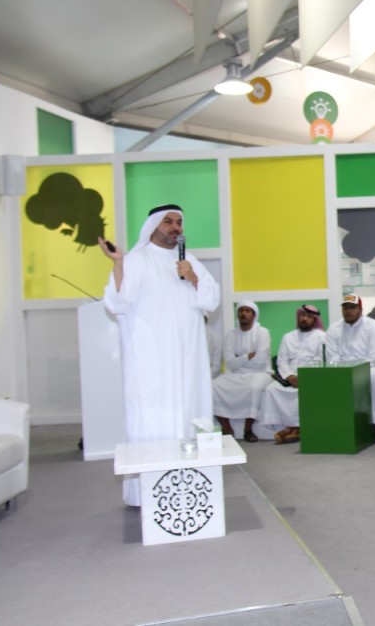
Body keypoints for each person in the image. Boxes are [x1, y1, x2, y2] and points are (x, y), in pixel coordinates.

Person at [99, 204, 220, 507]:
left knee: (190, 413)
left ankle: (190, 487)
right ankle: (150, 495)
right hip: (153, 360)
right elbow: (118, 301)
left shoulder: (189, 260)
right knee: (154, 418)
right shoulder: (137, 260)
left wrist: (193, 277)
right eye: (168, 222)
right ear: (153, 226)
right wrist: (118, 263)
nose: (175, 227)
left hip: (188, 359)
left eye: (179, 222)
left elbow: (212, 299)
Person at [258, 304, 326, 445]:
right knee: (272, 389)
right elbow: (282, 361)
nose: (304, 319)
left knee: (307, 391)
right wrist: (290, 376)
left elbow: (321, 360)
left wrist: (304, 377)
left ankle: (294, 429)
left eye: (309, 317)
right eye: (302, 315)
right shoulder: (288, 337)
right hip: (290, 378)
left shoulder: (322, 337)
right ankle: (291, 428)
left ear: (315, 320)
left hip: (311, 376)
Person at [324, 294, 375, 427]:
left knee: (371, 377)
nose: (348, 311)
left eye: (352, 307)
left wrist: (354, 370)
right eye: (345, 307)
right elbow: (332, 358)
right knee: (331, 376)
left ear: (360, 310)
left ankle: (373, 422)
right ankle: (338, 422)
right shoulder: (334, 329)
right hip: (346, 369)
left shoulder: (372, 326)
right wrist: (349, 370)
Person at [212, 301, 272, 442]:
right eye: (241, 310)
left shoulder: (262, 332)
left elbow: (260, 361)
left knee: (253, 387)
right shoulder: (231, 335)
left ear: (254, 315)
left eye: (247, 311)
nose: (243, 313)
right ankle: (226, 428)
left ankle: (248, 430)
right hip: (236, 373)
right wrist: (247, 356)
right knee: (213, 386)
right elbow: (229, 363)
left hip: (261, 373)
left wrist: (239, 359)